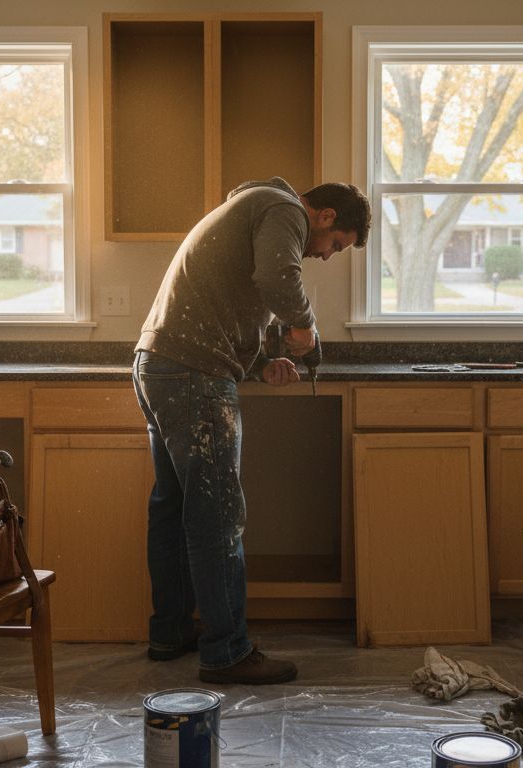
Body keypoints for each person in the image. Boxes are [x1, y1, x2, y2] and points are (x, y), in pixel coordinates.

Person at [132, 177, 370, 685]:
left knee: (173, 509)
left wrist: (262, 361)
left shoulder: (252, 207)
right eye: (336, 246)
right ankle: (226, 652)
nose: (327, 256)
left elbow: (234, 294)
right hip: (193, 374)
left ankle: (171, 631)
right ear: (324, 216)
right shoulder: (283, 208)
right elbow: (276, 274)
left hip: (161, 364)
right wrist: (304, 324)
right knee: (218, 516)